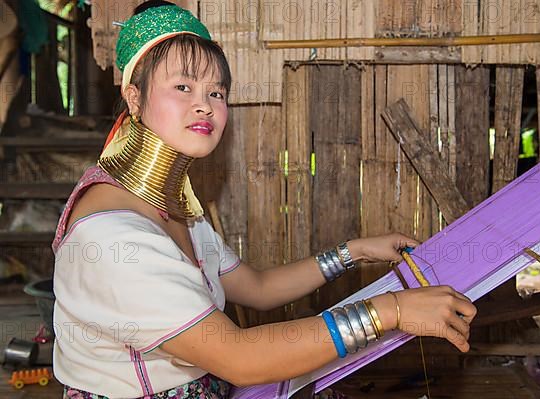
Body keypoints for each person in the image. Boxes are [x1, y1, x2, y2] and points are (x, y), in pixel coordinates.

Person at [51, 2, 477, 398]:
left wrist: (354, 252)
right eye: (183, 86)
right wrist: (392, 309)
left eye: (217, 92)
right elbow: (239, 358)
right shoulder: (112, 238)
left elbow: (257, 288)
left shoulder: (175, 206)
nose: (204, 104)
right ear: (135, 98)